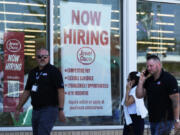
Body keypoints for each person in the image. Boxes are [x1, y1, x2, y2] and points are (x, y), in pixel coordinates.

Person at [15, 48, 65, 135]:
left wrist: (61, 110)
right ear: (36, 58)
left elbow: (61, 91)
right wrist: (18, 108)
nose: (42, 59)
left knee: (42, 133)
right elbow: (27, 91)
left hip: (49, 109)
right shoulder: (32, 73)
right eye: (39, 56)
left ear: (48, 58)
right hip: (35, 110)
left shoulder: (54, 71)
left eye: (45, 57)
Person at [136, 54, 180, 135]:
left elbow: (176, 102)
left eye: (151, 66)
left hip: (165, 120)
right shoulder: (149, 81)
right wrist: (141, 82)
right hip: (153, 120)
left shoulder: (169, 79)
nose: (148, 68)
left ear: (159, 65)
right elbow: (139, 95)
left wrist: (177, 120)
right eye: (147, 66)